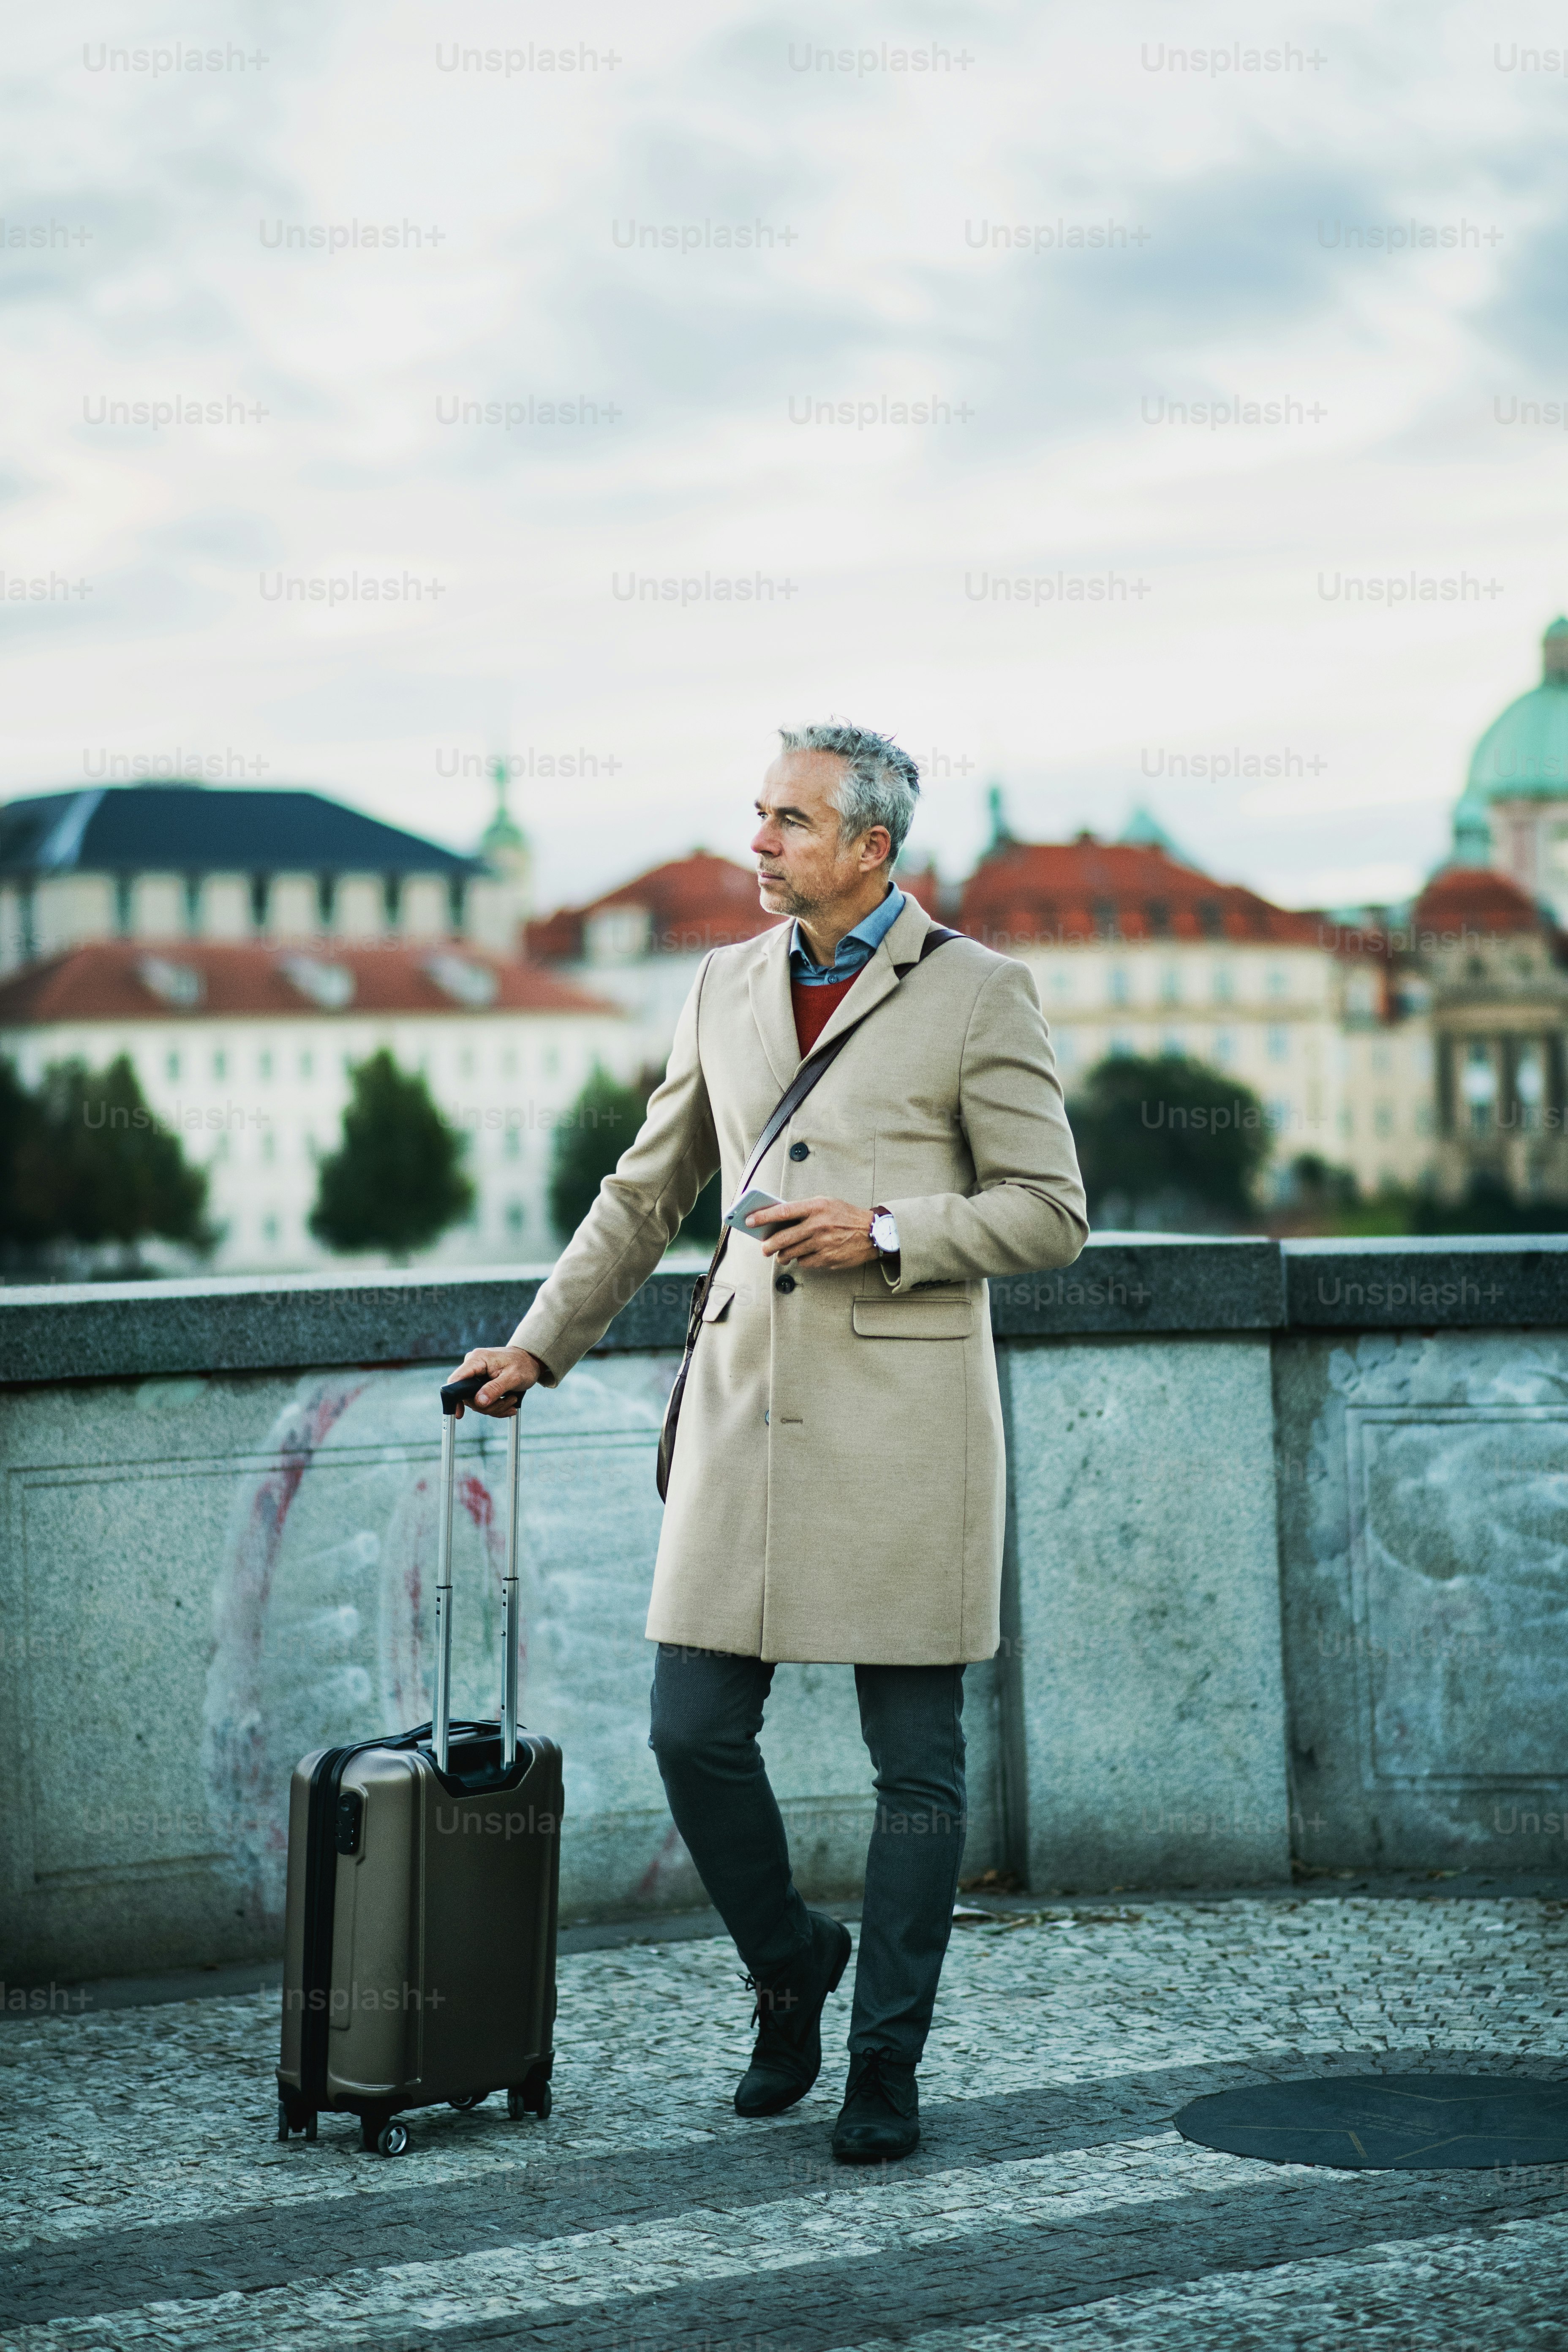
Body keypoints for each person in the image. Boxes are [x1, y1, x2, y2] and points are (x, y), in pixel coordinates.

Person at [449, 721, 1086, 2161]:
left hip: (909, 1423)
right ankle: (795, 1962)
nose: (759, 842)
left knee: (916, 1764)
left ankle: (885, 2061)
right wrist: (540, 1342)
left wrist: (889, 1229)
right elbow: (643, 1190)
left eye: (789, 821)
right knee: (690, 1728)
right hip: (744, 1415)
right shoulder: (723, 984)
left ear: (870, 847)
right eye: (757, 814)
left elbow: (1052, 1213)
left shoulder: (983, 992)